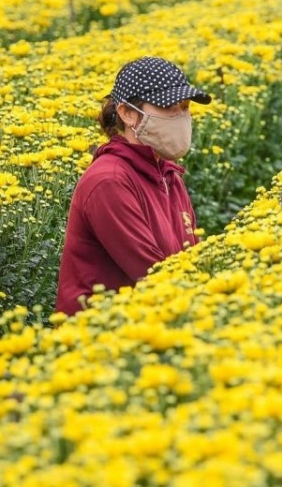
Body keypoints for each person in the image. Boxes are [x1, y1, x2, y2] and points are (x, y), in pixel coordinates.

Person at [55, 56, 211, 316]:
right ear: (128, 114)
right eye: (168, 107)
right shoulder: (109, 181)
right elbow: (154, 274)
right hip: (100, 339)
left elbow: (189, 261)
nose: (181, 116)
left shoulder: (169, 174)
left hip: (152, 324)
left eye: (184, 107)